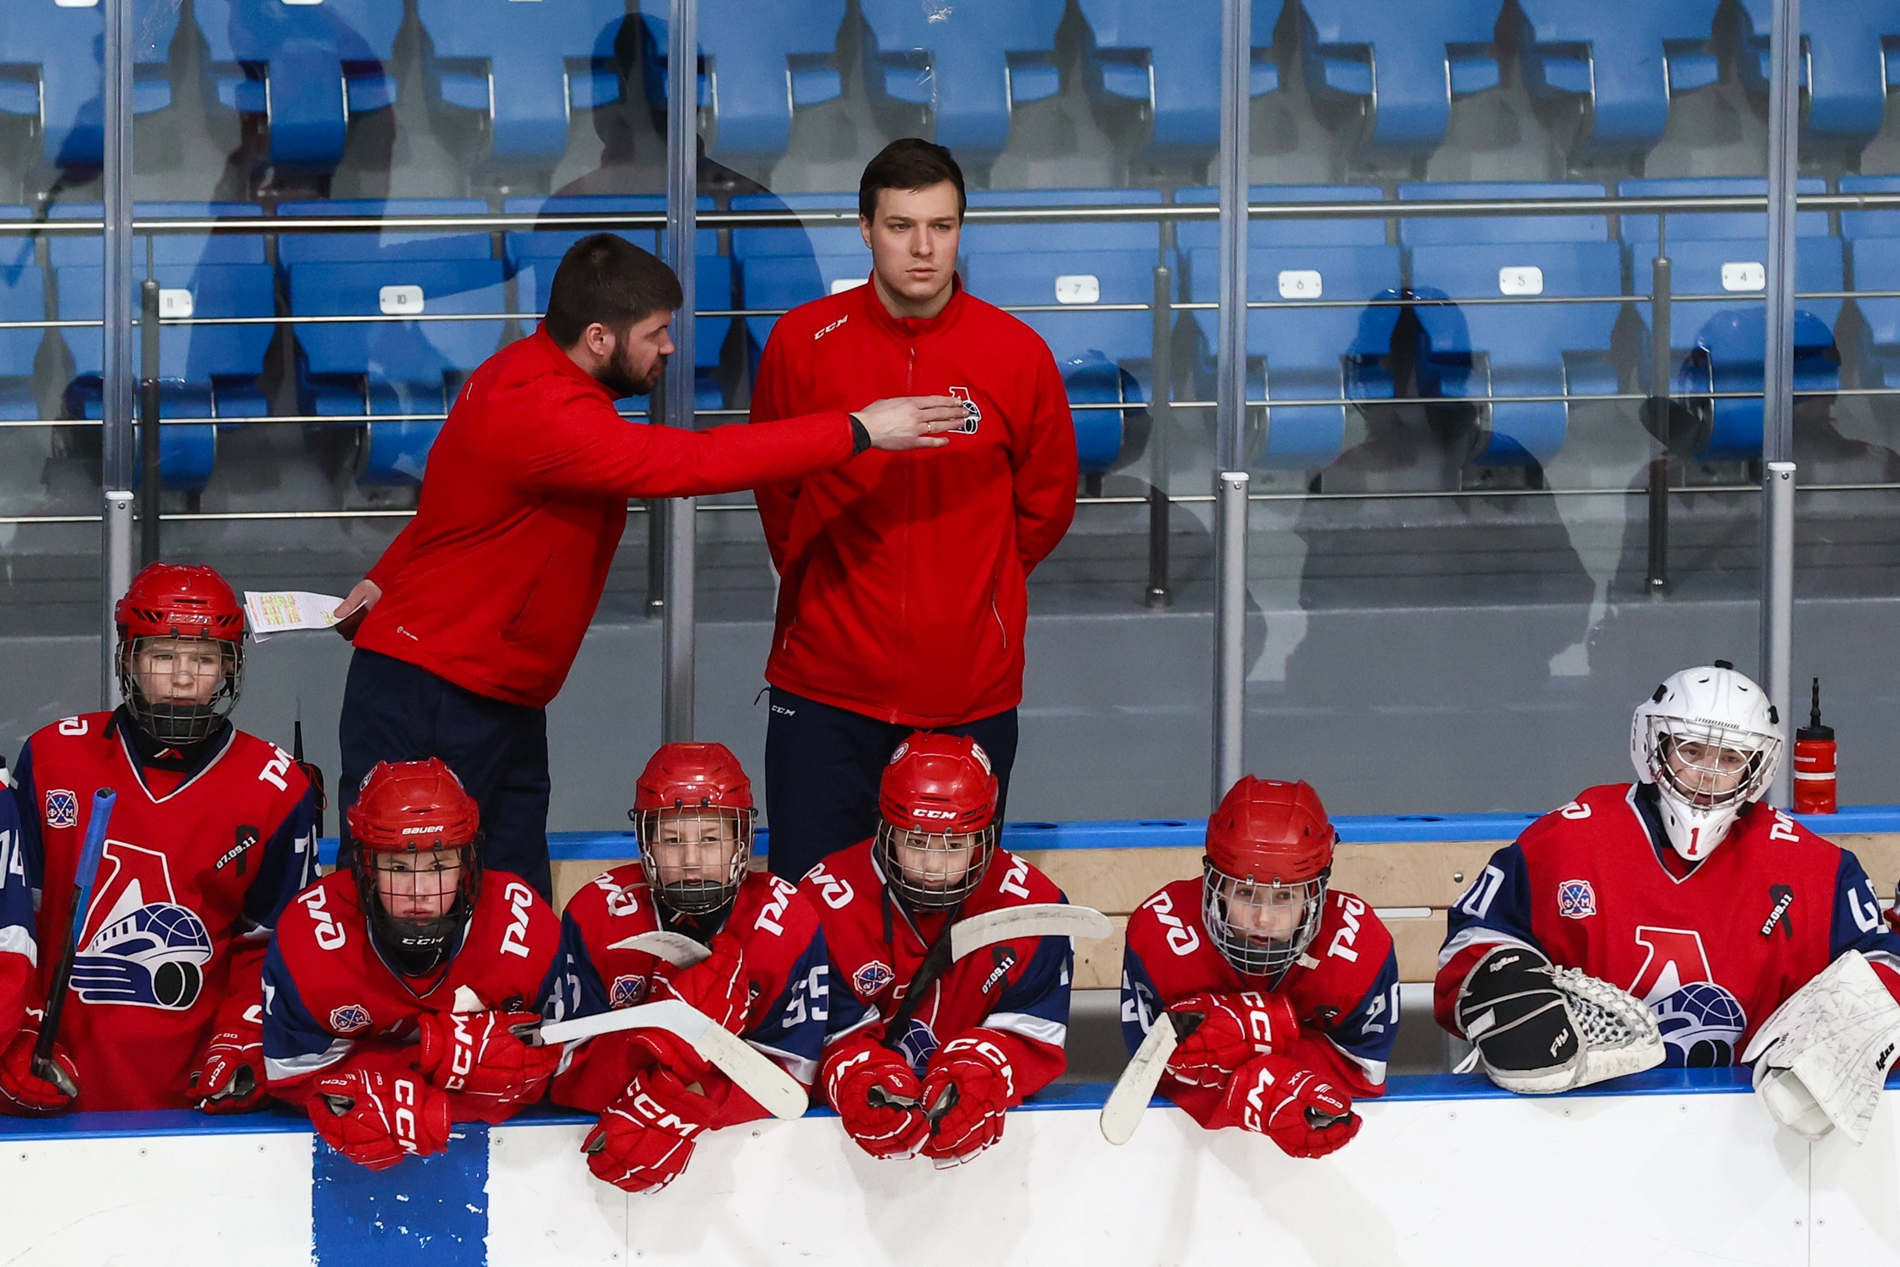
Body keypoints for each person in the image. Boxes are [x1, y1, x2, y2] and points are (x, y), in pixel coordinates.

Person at [330, 232, 967, 900]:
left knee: (512, 904)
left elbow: (453, 502)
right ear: (600, 337)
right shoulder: (548, 412)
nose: (669, 347)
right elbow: (695, 462)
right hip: (437, 691)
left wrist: (385, 575)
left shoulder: (519, 371)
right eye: (657, 333)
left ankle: (519, 1010)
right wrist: (859, 429)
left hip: (492, 691)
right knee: (401, 898)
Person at [751, 138, 1079, 883]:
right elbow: (779, 493)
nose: (924, 248)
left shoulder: (1016, 353)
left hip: (966, 693)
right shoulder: (803, 344)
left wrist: (974, 590)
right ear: (864, 229)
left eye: (942, 225)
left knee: (951, 918)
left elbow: (1046, 503)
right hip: (825, 687)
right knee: (810, 905)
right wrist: (825, 592)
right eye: (901, 226)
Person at [1437, 661, 1900, 1091]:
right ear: (1655, 745)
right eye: (1691, 749)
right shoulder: (1567, 840)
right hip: (1585, 1108)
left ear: (1758, 766)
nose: (1706, 775)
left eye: (1730, 758)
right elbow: (1473, 942)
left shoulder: (1816, 869)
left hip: (1755, 1120)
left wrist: (1858, 1018)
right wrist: (1504, 987)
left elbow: (1883, 963)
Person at [0, 563, 319, 1115]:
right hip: (57, 1068)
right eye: (163, 657)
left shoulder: (278, 786)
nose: (182, 678)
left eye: (204, 659)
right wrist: (19, 1035)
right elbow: (13, 925)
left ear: (229, 668)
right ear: (128, 658)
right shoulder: (54, 755)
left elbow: (271, 947)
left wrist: (240, 1037)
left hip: (195, 1087)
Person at [540, 741, 864, 1193]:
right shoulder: (596, 912)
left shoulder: (788, 918)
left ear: (741, 841)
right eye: (672, 839)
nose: (691, 860)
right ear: (646, 842)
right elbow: (564, 1068)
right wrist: (666, 1042)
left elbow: (793, 1075)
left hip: (752, 1176)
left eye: (710, 838)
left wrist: (679, 1102)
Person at [263, 759, 561, 1170]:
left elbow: (563, 1061)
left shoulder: (522, 925)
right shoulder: (311, 932)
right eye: (397, 867)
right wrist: (429, 1059)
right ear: (365, 868)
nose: (419, 891)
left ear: (469, 862)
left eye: (440, 867)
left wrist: (387, 1073)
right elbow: (290, 1077)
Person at [804, 733, 1072, 1167]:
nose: (930, 867)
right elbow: (823, 1037)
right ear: (885, 829)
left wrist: (982, 1072)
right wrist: (861, 1077)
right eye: (915, 841)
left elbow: (1033, 1034)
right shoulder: (823, 900)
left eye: (952, 846)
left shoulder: (1033, 908)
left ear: (985, 836)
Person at [1120, 777, 1395, 1158]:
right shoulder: (1161, 931)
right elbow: (1145, 1072)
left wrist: (1261, 1041)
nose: (1263, 919)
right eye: (1245, 893)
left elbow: (1365, 1073)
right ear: (1212, 879)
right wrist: (1271, 1060)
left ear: (1317, 892)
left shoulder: (1360, 944)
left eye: (1284, 896)